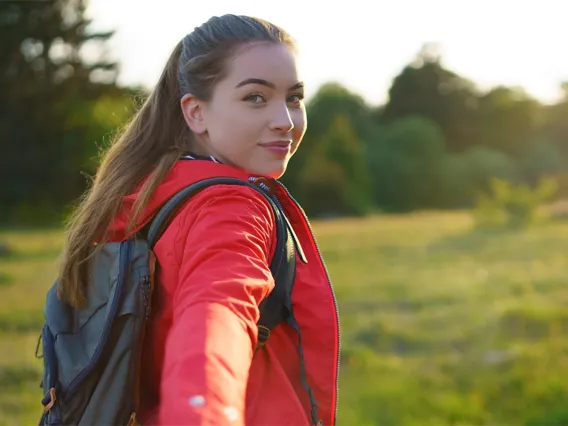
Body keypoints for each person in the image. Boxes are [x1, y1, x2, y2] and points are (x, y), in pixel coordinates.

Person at [56, 14, 340, 426]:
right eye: (256, 97)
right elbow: (216, 322)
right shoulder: (230, 208)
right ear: (196, 113)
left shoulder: (147, 197)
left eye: (293, 97)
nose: (285, 120)